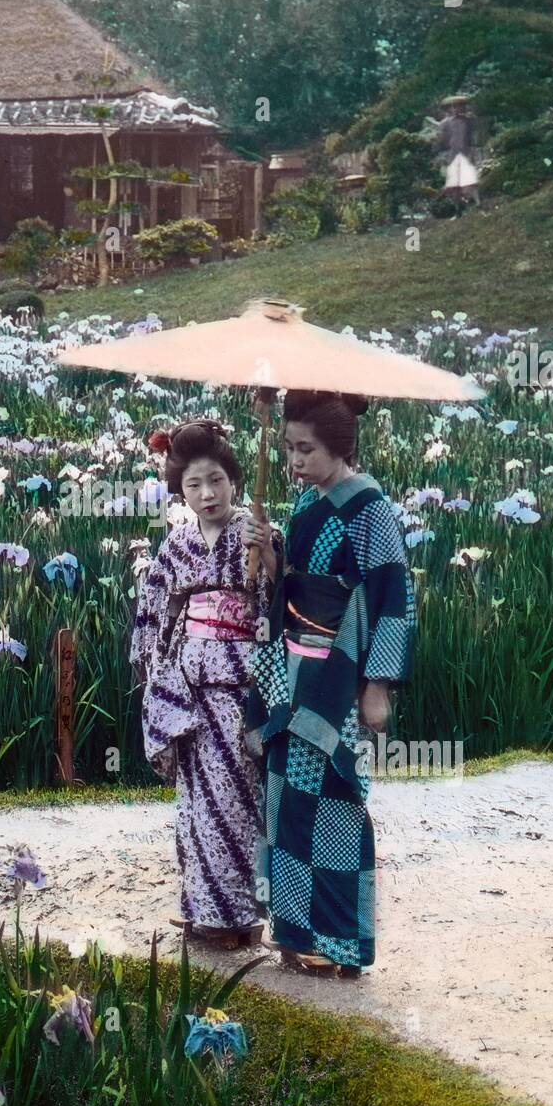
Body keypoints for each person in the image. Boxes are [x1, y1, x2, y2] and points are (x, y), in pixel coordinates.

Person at [245, 390, 415, 977]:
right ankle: (293, 930)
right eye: (288, 447)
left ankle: (338, 937)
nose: (293, 460)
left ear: (340, 446)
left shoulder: (369, 507)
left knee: (332, 799)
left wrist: (378, 684)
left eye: (306, 449)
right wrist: (269, 560)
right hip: (290, 669)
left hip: (335, 675)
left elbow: (393, 596)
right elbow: (290, 582)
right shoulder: (305, 504)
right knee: (286, 796)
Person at [129, 419, 283, 948]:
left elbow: (279, 603)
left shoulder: (256, 532)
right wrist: (156, 667)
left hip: (239, 679)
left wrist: (271, 560)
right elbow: (156, 607)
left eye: (216, 480)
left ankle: (236, 915)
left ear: (235, 480)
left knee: (235, 794)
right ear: (179, 491)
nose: (207, 493)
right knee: (195, 798)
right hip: (190, 680)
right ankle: (200, 904)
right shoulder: (177, 544)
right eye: (193, 485)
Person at [435, 94, 480, 208]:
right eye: (454, 107)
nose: (457, 109)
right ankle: (457, 208)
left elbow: (472, 138)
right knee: (453, 183)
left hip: (466, 153)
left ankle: (477, 203)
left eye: (460, 107)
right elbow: (441, 140)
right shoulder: (444, 124)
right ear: (450, 109)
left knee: (470, 180)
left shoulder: (469, 122)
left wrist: (473, 152)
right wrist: (441, 155)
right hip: (451, 155)